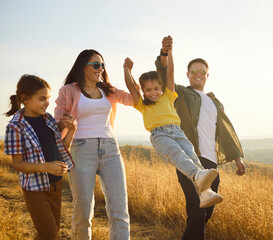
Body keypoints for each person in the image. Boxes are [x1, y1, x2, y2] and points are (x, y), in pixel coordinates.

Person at [155, 36, 247, 240]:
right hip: (189, 159)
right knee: (196, 210)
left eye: (202, 72)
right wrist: (165, 53)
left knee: (206, 212)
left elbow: (224, 131)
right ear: (187, 75)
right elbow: (163, 75)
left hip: (210, 162)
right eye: (194, 71)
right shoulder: (178, 93)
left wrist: (237, 158)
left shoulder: (214, 102)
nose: (198, 74)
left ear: (207, 75)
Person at [123, 49, 224, 209]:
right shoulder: (142, 105)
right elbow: (131, 86)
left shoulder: (168, 96)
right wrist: (127, 70)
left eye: (156, 88)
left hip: (177, 131)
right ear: (143, 91)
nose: (153, 93)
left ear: (161, 87)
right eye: (148, 90)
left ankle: (205, 194)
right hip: (159, 135)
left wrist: (169, 53)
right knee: (178, 156)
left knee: (192, 157)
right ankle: (198, 175)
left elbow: (170, 72)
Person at [54, 49, 132, 240]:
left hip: (111, 149)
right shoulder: (69, 91)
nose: (100, 69)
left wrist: (128, 72)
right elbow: (56, 124)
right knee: (83, 211)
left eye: (103, 65)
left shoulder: (109, 90)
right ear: (83, 67)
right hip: (81, 149)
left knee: (119, 210)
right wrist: (64, 123)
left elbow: (135, 100)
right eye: (96, 65)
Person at [4, 74, 76, 240]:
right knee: (48, 234)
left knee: (52, 233)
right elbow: (18, 164)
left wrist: (70, 129)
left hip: (55, 185)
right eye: (42, 98)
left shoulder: (48, 118)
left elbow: (61, 147)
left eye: (48, 98)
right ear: (25, 98)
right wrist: (46, 166)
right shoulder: (15, 127)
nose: (47, 103)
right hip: (34, 189)